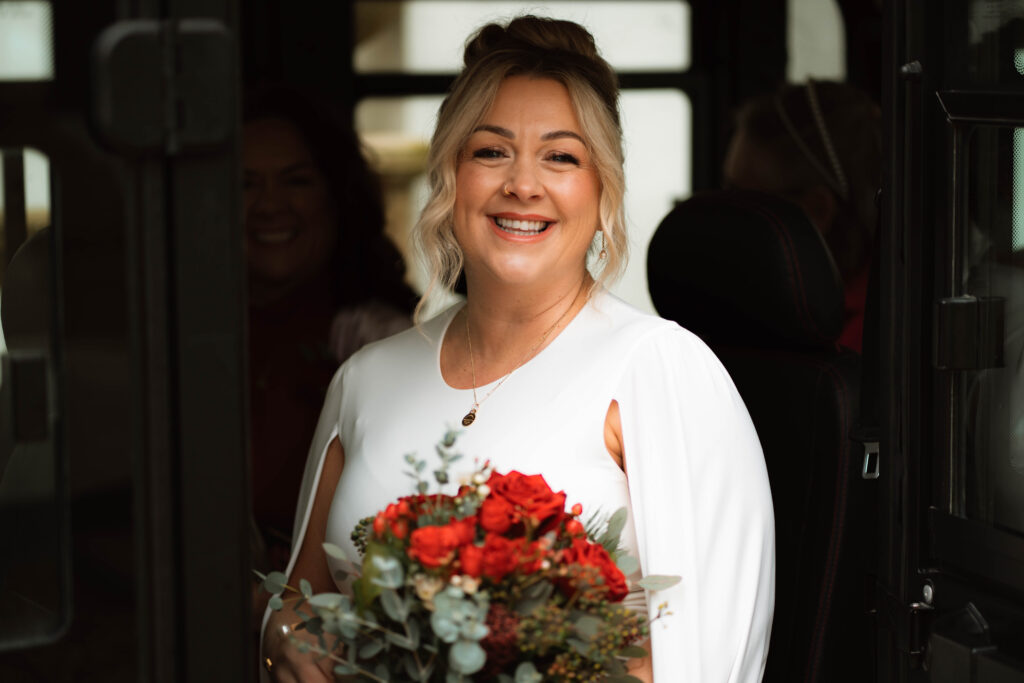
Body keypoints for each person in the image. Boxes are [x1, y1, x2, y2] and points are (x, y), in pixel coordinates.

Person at [261, 16, 774, 682]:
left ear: (601, 188)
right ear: (452, 173)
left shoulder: (662, 370)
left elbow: (707, 658)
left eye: (560, 156)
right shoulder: (366, 378)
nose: (522, 184)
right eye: (491, 151)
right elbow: (300, 602)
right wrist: (285, 632)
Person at [243, 84, 417, 576]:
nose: (270, 205)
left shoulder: (378, 340)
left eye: (296, 181)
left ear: (336, 197)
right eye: (245, 184)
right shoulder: (180, 337)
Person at [723, 80, 881, 352]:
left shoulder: (862, 338)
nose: (723, 215)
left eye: (743, 198)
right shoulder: (761, 309)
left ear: (817, 211)